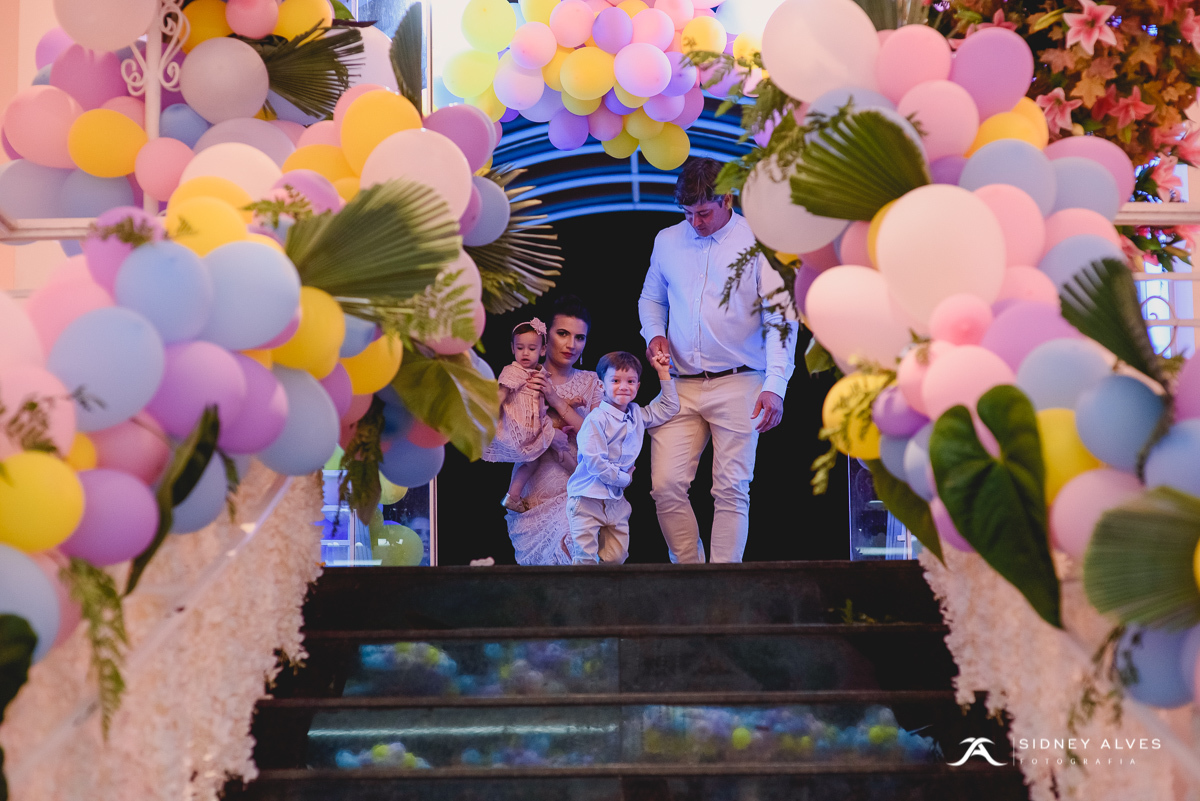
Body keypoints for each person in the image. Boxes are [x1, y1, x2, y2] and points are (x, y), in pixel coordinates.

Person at [638, 157, 797, 564]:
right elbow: (651, 298)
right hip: (679, 385)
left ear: (728, 199)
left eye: (704, 213)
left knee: (731, 489)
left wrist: (775, 385)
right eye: (687, 213)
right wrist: (654, 332)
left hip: (741, 380)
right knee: (665, 486)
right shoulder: (666, 240)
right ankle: (691, 577)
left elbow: (781, 317)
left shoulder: (758, 241)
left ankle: (724, 583)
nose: (695, 222)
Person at [504, 296, 603, 565]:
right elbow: (511, 437)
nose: (572, 345)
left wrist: (556, 400)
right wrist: (549, 436)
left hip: (580, 496)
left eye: (580, 337)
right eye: (563, 334)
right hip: (532, 502)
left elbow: (598, 440)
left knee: (576, 557)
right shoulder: (522, 378)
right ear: (546, 339)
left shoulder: (592, 382)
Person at [566, 351, 678, 565]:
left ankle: (605, 586)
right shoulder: (596, 419)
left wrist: (664, 373)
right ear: (602, 385)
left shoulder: (636, 414)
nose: (624, 386)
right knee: (585, 560)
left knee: (616, 558)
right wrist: (624, 479)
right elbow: (595, 462)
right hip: (587, 499)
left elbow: (669, 407)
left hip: (615, 501)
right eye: (615, 381)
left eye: (630, 381)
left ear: (638, 385)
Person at [482, 318, 572, 512]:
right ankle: (581, 478)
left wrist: (572, 402)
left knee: (533, 462)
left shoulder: (540, 374)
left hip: (535, 425)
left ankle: (512, 496)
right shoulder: (512, 371)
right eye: (520, 348)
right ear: (512, 348)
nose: (525, 353)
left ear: (542, 350)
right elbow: (500, 394)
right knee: (557, 445)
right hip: (520, 426)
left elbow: (550, 400)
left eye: (531, 348)